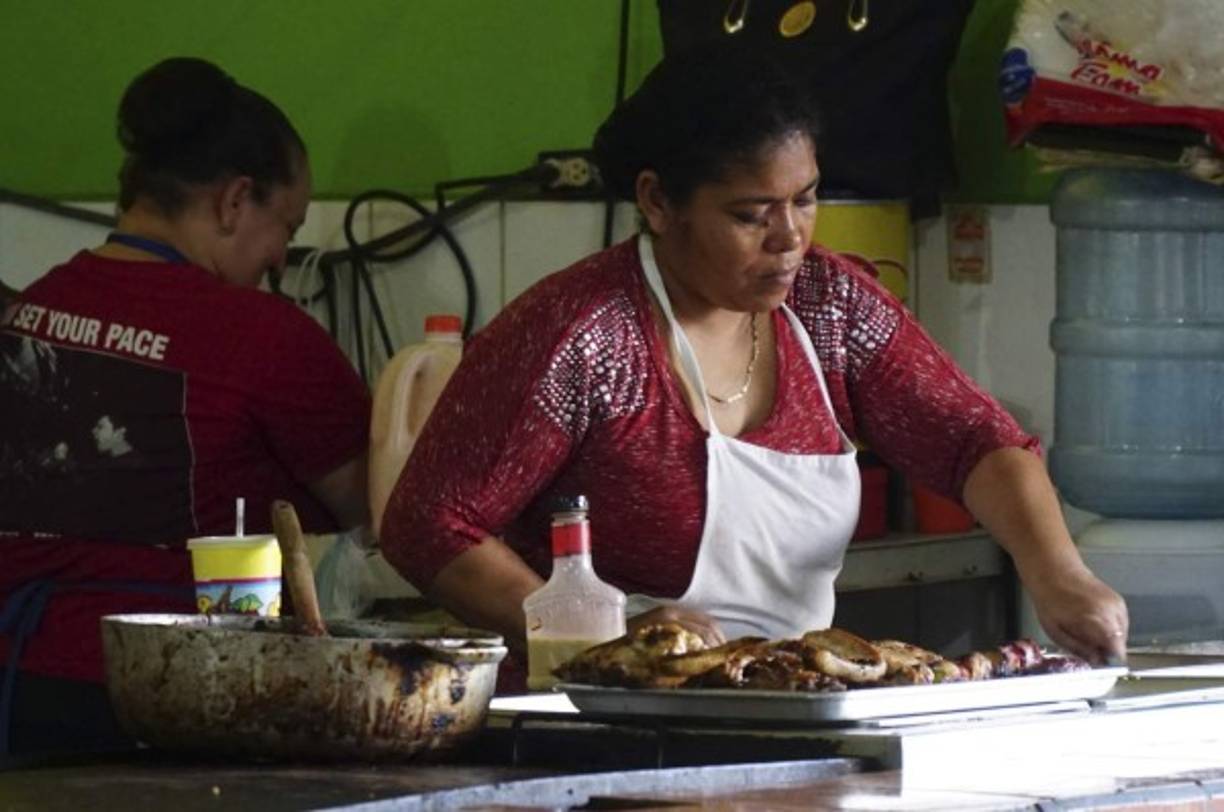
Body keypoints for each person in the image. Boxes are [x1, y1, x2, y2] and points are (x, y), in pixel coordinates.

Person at [380, 43, 1128, 690]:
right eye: (749, 214)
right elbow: (428, 524)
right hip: (596, 723)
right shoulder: (583, 334)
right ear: (658, 201)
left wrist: (1059, 575)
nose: (789, 237)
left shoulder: (829, 305)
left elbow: (975, 442)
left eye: (805, 200)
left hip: (789, 700)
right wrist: (601, 644)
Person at [0, 57, 371, 756]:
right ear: (235, 202)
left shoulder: (31, 312)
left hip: (16, 692)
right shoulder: (264, 335)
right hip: (171, 704)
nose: (276, 261)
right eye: (284, 229)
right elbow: (376, 505)